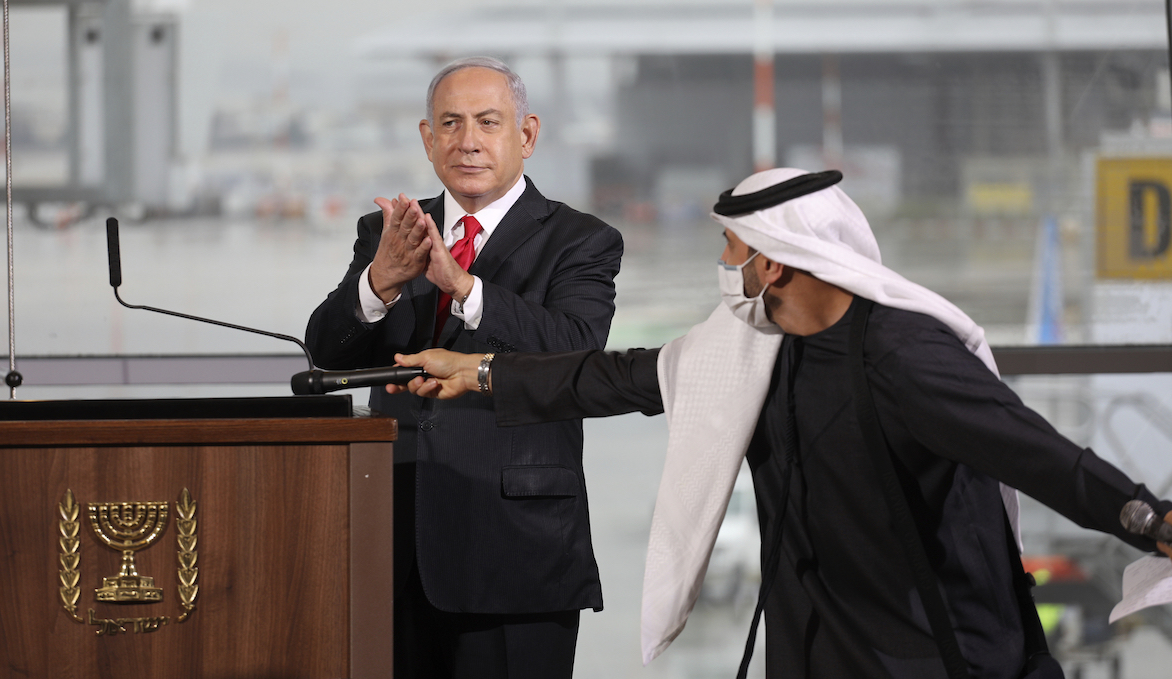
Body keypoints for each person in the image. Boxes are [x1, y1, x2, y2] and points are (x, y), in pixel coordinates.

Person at [388, 168, 1172, 679]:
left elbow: (1037, 452)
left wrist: (1149, 517)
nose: (725, 263)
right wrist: (481, 370)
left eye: (733, 247)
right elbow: (620, 375)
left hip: (931, 645)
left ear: (777, 261)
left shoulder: (904, 357)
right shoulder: (753, 344)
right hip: (815, 645)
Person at [304, 56, 623, 679]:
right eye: (449, 124)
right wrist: (379, 283)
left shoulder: (581, 239)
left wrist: (467, 288)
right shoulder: (389, 232)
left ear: (526, 135)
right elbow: (327, 352)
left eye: (487, 122)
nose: (467, 141)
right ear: (427, 139)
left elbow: (577, 351)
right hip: (395, 543)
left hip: (516, 549)